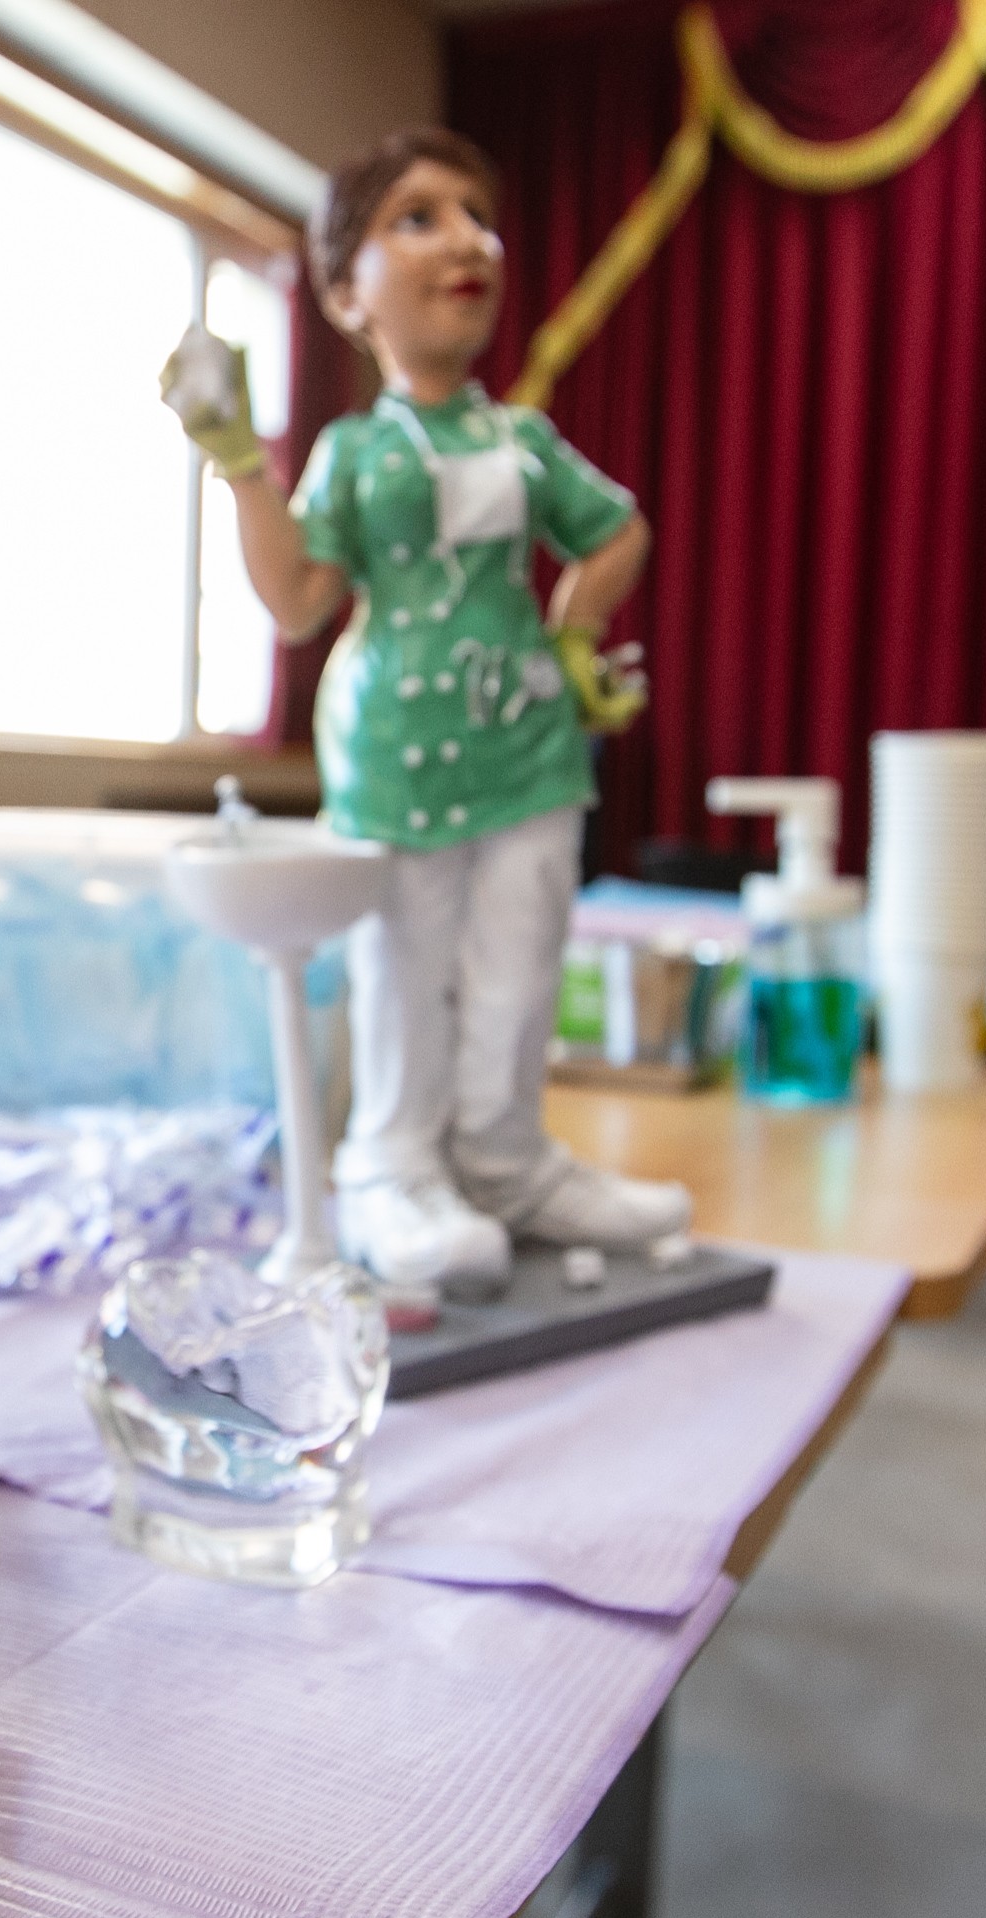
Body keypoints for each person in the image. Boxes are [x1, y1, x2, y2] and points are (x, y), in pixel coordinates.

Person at [163, 128, 687, 1296]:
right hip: (396, 756)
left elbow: (616, 532)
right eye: (417, 218)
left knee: (520, 962)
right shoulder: (356, 451)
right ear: (347, 295)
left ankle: (506, 1160)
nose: (467, 241)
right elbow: (299, 599)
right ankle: (392, 1170)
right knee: (405, 967)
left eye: (476, 216)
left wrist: (574, 633)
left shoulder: (524, 439)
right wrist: (240, 462)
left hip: (531, 749)